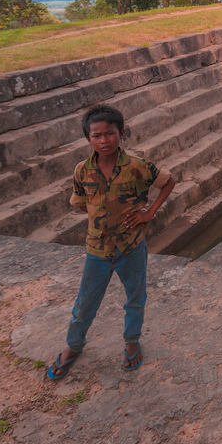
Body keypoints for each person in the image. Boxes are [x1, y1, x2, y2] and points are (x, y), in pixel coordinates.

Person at [47, 105, 176, 379]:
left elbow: (168, 181)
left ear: (122, 133)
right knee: (84, 304)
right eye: (97, 135)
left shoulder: (138, 166)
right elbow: (80, 203)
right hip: (97, 250)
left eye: (110, 133)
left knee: (135, 298)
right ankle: (73, 347)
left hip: (131, 247)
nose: (104, 140)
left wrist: (149, 213)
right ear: (88, 139)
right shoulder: (82, 171)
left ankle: (132, 341)